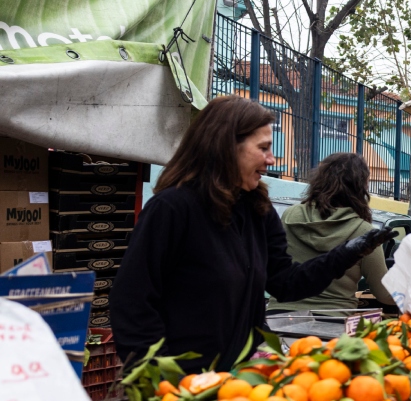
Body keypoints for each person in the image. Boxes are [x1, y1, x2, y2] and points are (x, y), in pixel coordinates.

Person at [110, 96, 395, 372]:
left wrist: (347, 253)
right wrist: (155, 378)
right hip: (183, 385)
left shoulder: (258, 211)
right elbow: (132, 301)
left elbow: (286, 283)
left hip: (242, 379)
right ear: (226, 147)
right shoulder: (171, 210)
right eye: (263, 148)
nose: (271, 160)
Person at [267, 153, 395, 314]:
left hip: (278, 317)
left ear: (319, 180)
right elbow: (385, 294)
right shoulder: (364, 233)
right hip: (333, 323)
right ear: (361, 187)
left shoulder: (289, 216)